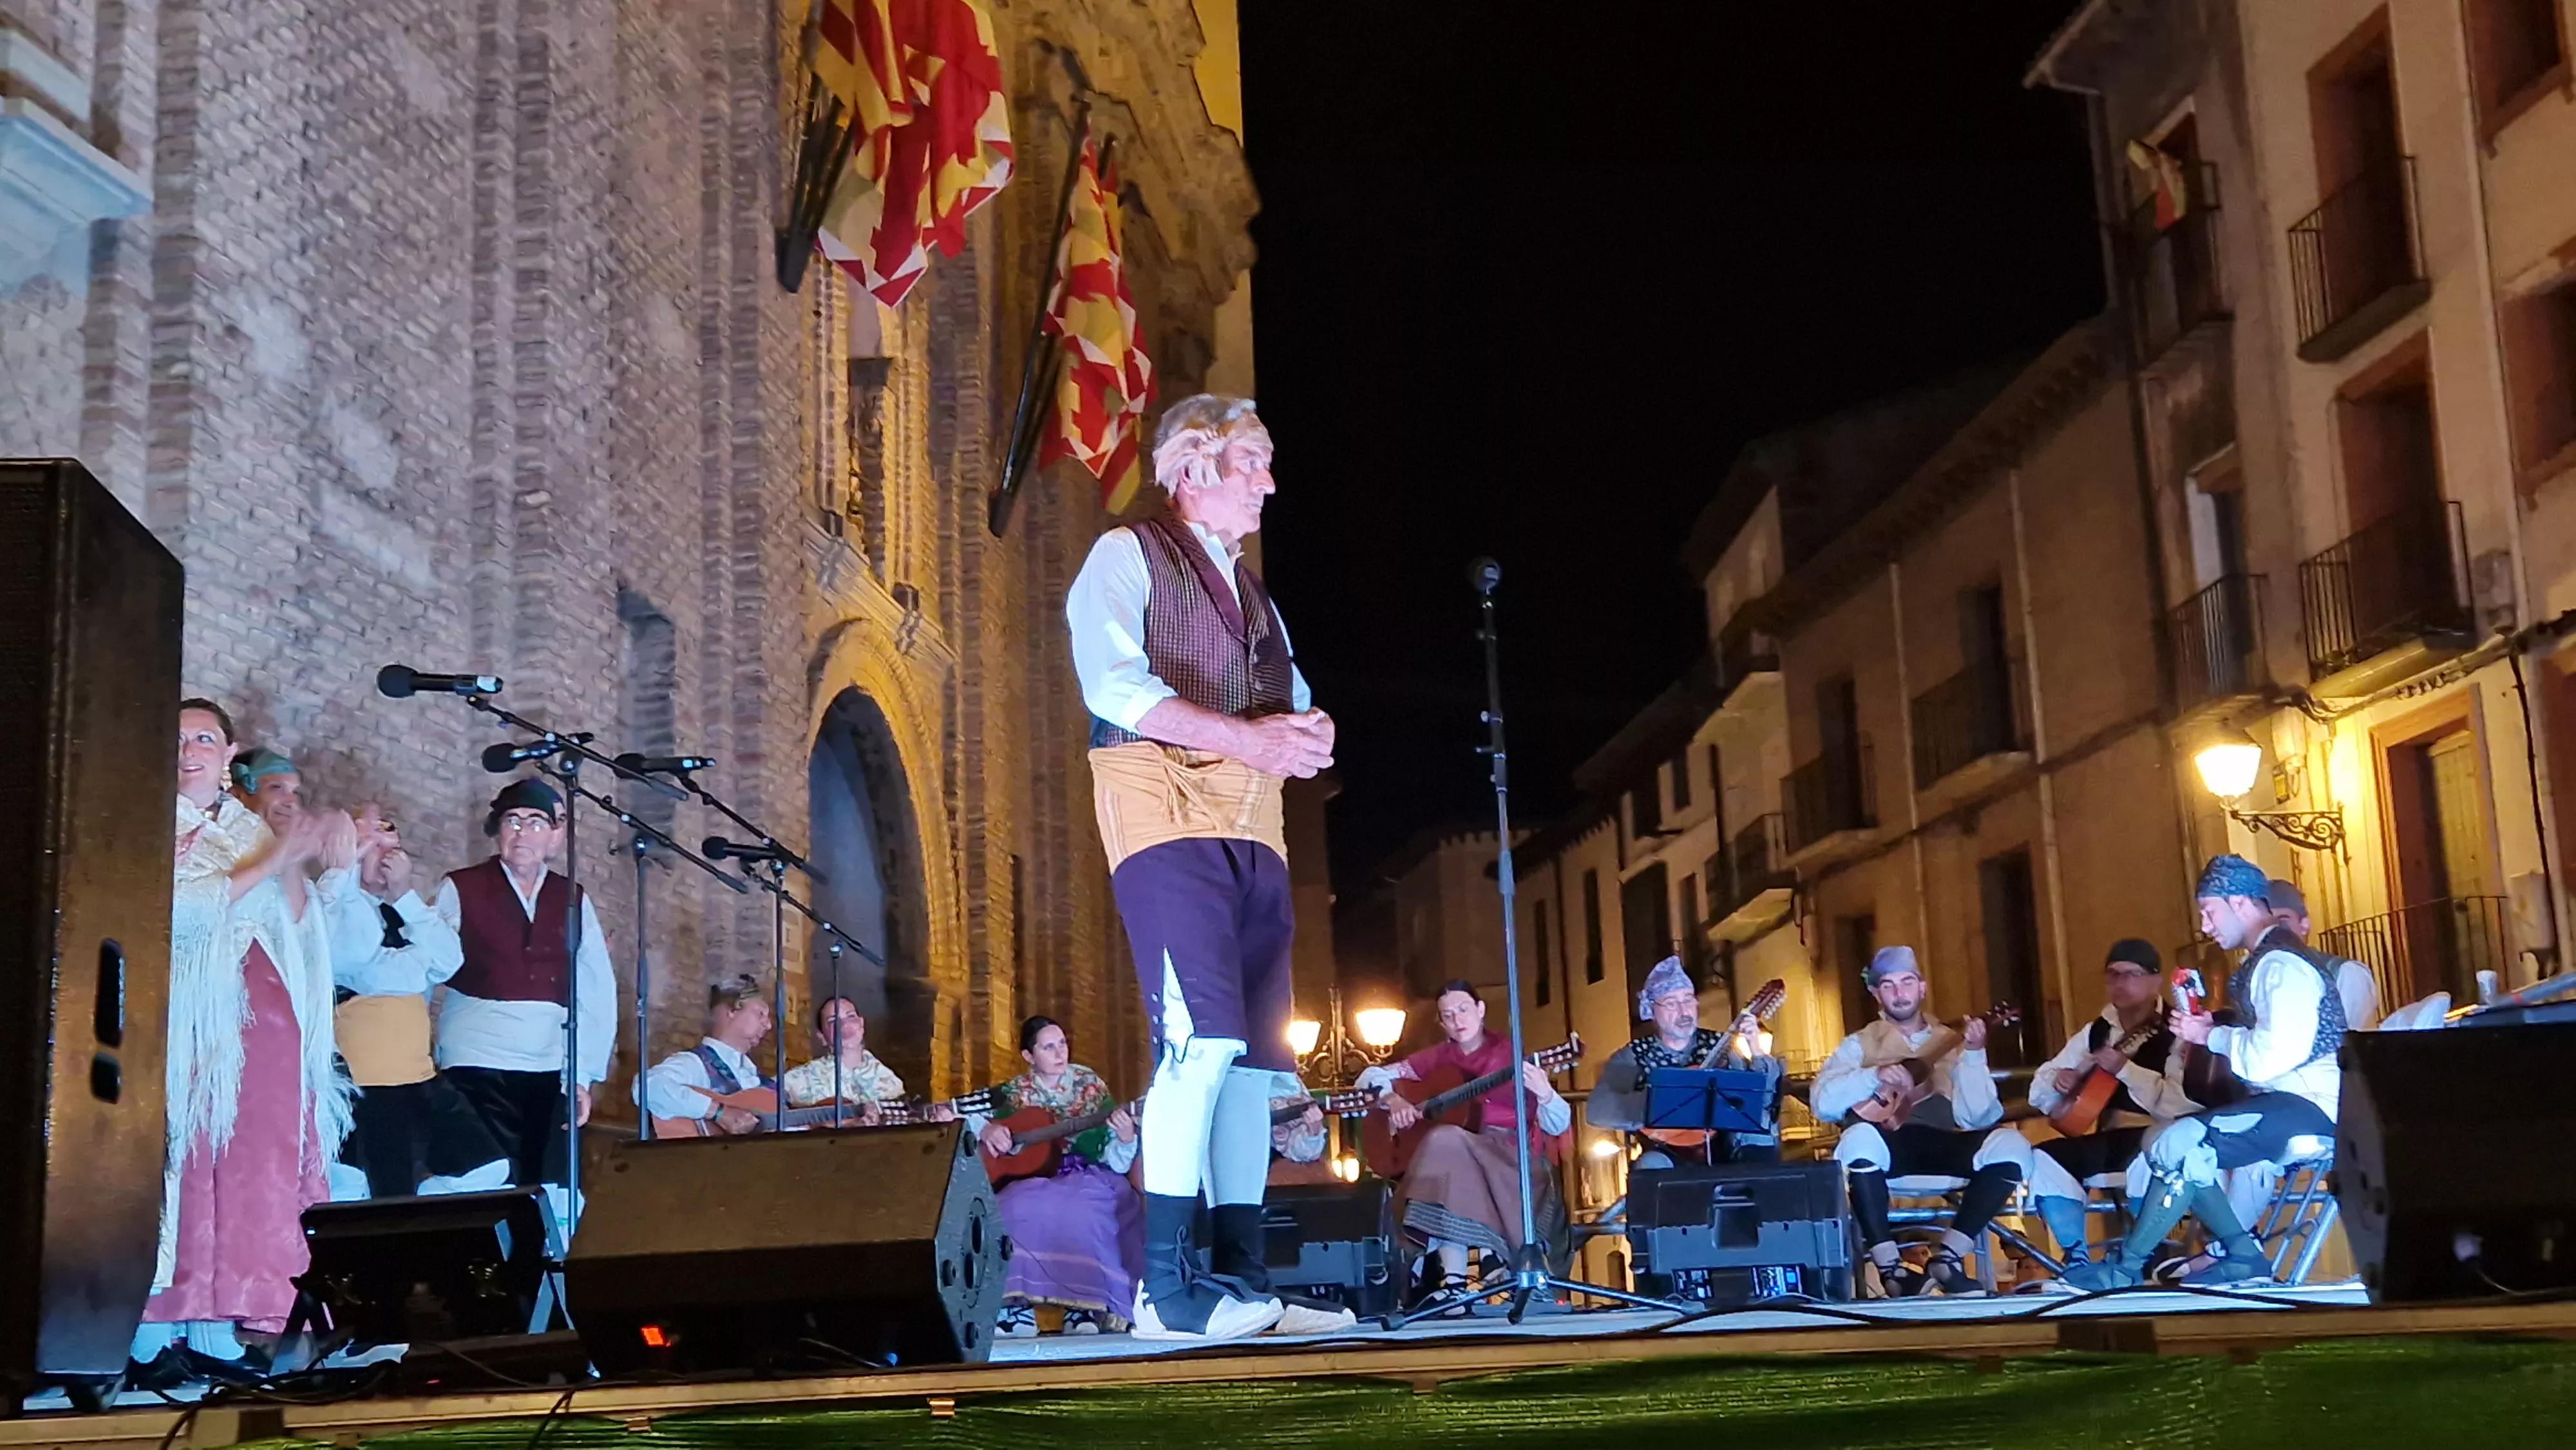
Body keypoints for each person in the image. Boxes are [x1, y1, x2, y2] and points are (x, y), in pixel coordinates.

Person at [1066, 394, 1334, 1341]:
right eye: (1252, 462)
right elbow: (1114, 686)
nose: (1268, 481)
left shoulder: (1256, 594)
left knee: (1257, 1069)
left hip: (1255, 822)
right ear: (1192, 470)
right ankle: (1168, 1295)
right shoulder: (1127, 555)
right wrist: (1251, 739)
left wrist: (1308, 731)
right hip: (1164, 807)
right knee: (1201, 1043)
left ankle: (1244, 1284)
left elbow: (1291, 696)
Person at [135, 701, 355, 1379]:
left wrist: (296, 859)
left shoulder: (247, 826)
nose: (190, 748)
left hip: (264, 1029)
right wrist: (274, 859)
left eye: (205, 736)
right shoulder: (139, 818)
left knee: (246, 1174)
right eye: (175, 737)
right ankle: (148, 1338)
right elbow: (171, 912)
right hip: (186, 1022)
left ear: (229, 751)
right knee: (184, 1169)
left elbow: (300, 928)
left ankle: (216, 1330)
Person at [2069, 854, 2345, 1290]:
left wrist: (2209, 1036)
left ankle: (2129, 1269)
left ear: (2239, 903)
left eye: (2209, 910)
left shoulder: (2281, 965)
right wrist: (2210, 1029)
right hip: (2293, 1101)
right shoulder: (2270, 962)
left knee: (2179, 1141)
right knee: (2171, 1142)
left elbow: (2269, 1059)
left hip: (2310, 1105)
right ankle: (2236, 1255)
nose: (2205, 925)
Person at [432, 778, 616, 1231]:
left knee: (550, 1190)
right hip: (476, 1062)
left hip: (549, 1066)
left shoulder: (572, 898)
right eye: (513, 821)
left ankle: (545, 1292)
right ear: (497, 830)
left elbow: (595, 989)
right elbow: (425, 966)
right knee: (486, 1186)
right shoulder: (462, 887)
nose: (522, 833)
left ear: (556, 835)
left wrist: (584, 1072)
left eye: (536, 823)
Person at [1811, 946, 2034, 1297]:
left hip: (1944, 1140)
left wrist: (1974, 1054)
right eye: (1889, 985)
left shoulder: (1951, 1040)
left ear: (1922, 988)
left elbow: (1980, 1117)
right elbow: (1822, 1104)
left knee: (2013, 1146)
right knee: (1856, 1140)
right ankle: (1891, 1269)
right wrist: (1874, 1075)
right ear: (1876, 993)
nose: (1900, 994)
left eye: (1907, 982)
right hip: (1887, 1148)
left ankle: (1948, 1258)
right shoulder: (1858, 1044)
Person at [325, 804, 510, 1198]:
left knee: (486, 1166)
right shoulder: (331, 907)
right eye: (370, 844)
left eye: (391, 843)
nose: (386, 855)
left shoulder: (406, 911)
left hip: (420, 1078)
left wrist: (406, 897)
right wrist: (417, 963)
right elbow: (367, 969)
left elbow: (447, 961)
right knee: (382, 1190)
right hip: (367, 1083)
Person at [1356, 981, 1573, 1304]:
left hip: (1513, 1159)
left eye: (1463, 1010)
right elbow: (1370, 1077)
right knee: (1450, 1147)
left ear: (1481, 1010)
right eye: (1448, 1015)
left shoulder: (1510, 1054)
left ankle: (1456, 1280)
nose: (1458, 1020)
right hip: (1464, 1159)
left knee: (1445, 1143)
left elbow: (1560, 1121)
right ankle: (1474, 1273)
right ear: (1442, 1024)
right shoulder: (1437, 1058)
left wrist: (1544, 1092)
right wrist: (1393, 1099)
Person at [2024, 939, 2197, 1272]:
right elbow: (2038, 1090)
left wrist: (2124, 1070)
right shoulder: (2097, 1031)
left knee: (2153, 1154)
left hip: (2159, 1136)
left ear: (2155, 981)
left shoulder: (2179, 1029)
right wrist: (2059, 1079)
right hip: (2109, 1137)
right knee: (2045, 1157)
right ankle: (2076, 1259)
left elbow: (2179, 1103)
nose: (2120, 983)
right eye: (2112, 975)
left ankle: (2150, 1255)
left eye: (2131, 974)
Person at [973, 1017, 1144, 1335]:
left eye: (1062, 1043)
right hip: (1034, 1177)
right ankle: (1014, 1309)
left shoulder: (1089, 1086)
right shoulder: (1014, 1093)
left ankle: (1086, 1309)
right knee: (1011, 1207)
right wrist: (988, 1128)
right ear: (1029, 1056)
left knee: (1084, 1211)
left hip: (1089, 1173)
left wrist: (1125, 1138)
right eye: (1048, 1046)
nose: (1059, 1052)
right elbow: (966, 1113)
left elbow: (1116, 1161)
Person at [1586, 956, 1784, 1167]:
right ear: (1652, 1010)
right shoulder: (1635, 1055)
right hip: (1667, 1153)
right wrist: (1659, 1103)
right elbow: (1598, 1110)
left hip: (1723, 1147)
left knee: (1760, 1140)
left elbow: (1762, 1100)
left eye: (1688, 1000)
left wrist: (1755, 1049)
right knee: (1650, 1168)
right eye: (1672, 1003)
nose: (1684, 1011)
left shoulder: (1720, 1046)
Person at [638, 975, 775, 1133]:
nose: (769, 1025)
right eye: (761, 1014)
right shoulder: (695, 1064)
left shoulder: (758, 1080)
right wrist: (718, 1112)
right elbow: (647, 1087)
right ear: (732, 1009)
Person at [2267, 878, 2381, 1030]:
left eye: (2282, 921)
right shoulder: (2257, 977)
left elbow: (2358, 1043)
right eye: (2266, 924)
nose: (2275, 930)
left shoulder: (2345, 973)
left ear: (2304, 924)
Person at [779, 997, 916, 1122]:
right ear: (821, 1036)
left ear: (862, 1025)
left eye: (851, 1017)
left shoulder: (890, 1082)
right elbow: (764, 1097)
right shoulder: (802, 1078)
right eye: (833, 1021)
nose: (844, 1025)